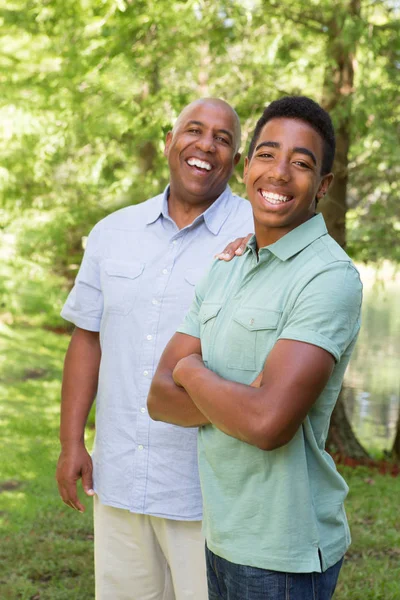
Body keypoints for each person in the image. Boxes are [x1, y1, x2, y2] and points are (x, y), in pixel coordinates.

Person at [148, 96, 363, 600]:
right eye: (267, 155)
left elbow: (268, 424)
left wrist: (192, 371)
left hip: (282, 554)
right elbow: (158, 397)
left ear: (323, 186)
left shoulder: (327, 279)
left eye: (302, 163)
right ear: (247, 169)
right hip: (221, 533)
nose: (280, 173)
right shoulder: (228, 265)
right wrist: (240, 397)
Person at [56, 98, 254, 600]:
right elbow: (87, 338)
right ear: (170, 140)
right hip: (120, 478)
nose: (205, 144)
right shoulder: (112, 233)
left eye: (223, 138)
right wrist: (71, 442)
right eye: (194, 130)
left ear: (235, 161)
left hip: (209, 492)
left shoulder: (256, 235)